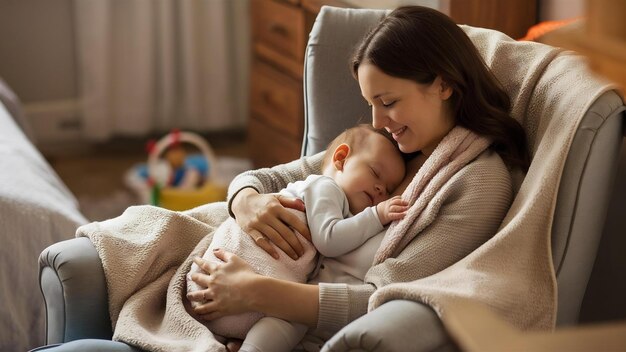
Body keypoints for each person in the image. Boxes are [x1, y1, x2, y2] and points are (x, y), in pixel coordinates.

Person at [187, 5, 529, 351]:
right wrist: (246, 201)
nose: (378, 121)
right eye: (371, 104)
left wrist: (253, 292)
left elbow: (384, 298)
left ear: (443, 85)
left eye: (389, 101)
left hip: (287, 315)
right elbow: (268, 178)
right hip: (252, 285)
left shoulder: (479, 182)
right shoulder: (388, 147)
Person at [186, 124, 407, 351]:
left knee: (293, 320)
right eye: (375, 173)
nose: (381, 189)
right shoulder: (326, 187)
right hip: (231, 279)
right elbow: (328, 240)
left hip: (229, 300)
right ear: (341, 159)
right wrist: (376, 215)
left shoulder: (344, 200)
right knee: (290, 321)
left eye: (389, 189)